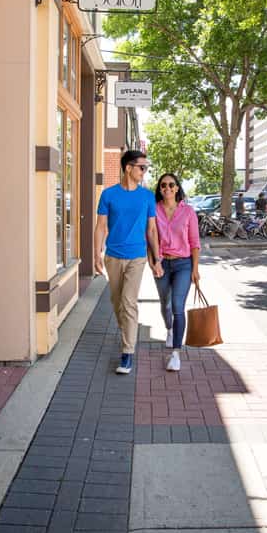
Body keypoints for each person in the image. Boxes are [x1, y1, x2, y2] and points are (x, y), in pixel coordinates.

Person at [94, 150, 164, 375]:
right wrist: (97, 254)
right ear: (128, 168)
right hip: (113, 256)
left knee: (128, 301)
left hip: (137, 256)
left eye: (146, 167)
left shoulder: (147, 197)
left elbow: (152, 229)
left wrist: (157, 258)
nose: (145, 171)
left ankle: (127, 353)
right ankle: (128, 334)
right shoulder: (108, 195)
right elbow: (101, 227)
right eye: (142, 167)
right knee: (117, 303)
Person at [151, 173, 200, 372]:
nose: (167, 188)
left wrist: (195, 269)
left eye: (171, 185)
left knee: (178, 306)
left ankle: (176, 354)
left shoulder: (188, 212)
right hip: (162, 263)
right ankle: (169, 329)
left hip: (183, 265)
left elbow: (195, 243)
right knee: (165, 304)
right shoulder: (153, 210)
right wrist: (154, 263)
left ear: (177, 188)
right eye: (163, 185)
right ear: (160, 189)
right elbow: (150, 239)